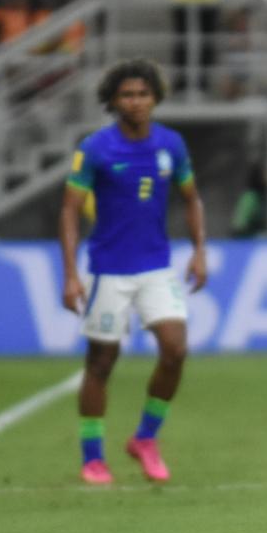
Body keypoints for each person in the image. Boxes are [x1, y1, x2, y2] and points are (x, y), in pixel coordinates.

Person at [59, 58, 208, 485]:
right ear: (112, 100)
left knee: (175, 349)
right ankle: (93, 456)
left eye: (143, 93)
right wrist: (70, 274)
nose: (136, 101)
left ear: (155, 97)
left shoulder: (171, 145)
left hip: (157, 267)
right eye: (127, 94)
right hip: (108, 270)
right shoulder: (95, 148)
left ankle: (145, 438)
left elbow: (191, 199)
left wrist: (199, 251)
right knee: (102, 362)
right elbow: (69, 212)